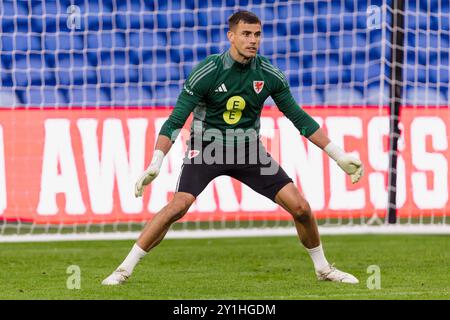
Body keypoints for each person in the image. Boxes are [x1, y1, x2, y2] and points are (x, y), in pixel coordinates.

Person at [102, 10, 364, 286]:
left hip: (248, 151)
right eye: (246, 34)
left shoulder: (269, 74)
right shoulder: (208, 71)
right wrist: (156, 161)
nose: (253, 40)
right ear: (231, 36)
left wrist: (338, 155)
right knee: (179, 206)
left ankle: (323, 269)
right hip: (207, 149)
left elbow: (299, 118)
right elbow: (176, 120)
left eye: (257, 35)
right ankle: (124, 269)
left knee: (300, 208)